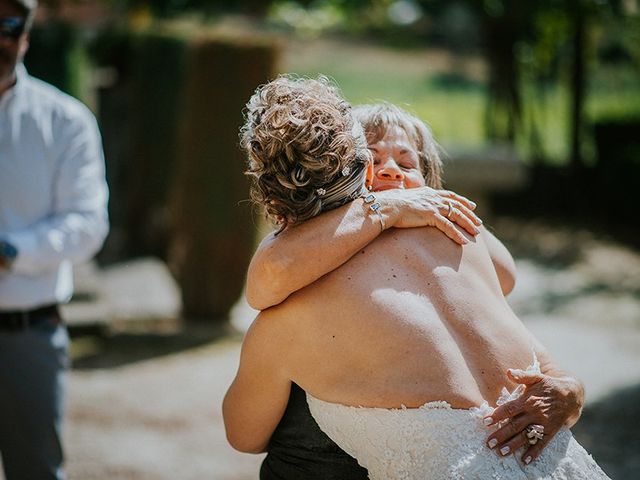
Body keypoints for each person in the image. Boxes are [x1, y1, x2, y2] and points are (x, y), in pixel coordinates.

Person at [223, 76, 610, 479]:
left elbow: (510, 298)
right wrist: (386, 209)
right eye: (372, 161)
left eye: (408, 164)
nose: (390, 174)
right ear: (349, 171)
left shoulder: (461, 254)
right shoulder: (295, 284)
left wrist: (570, 388)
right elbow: (271, 270)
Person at [0, 1, 109, 478]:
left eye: (11, 23)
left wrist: (9, 252)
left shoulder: (65, 121)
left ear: (26, 32)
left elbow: (87, 223)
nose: (0, 36)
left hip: (28, 334)